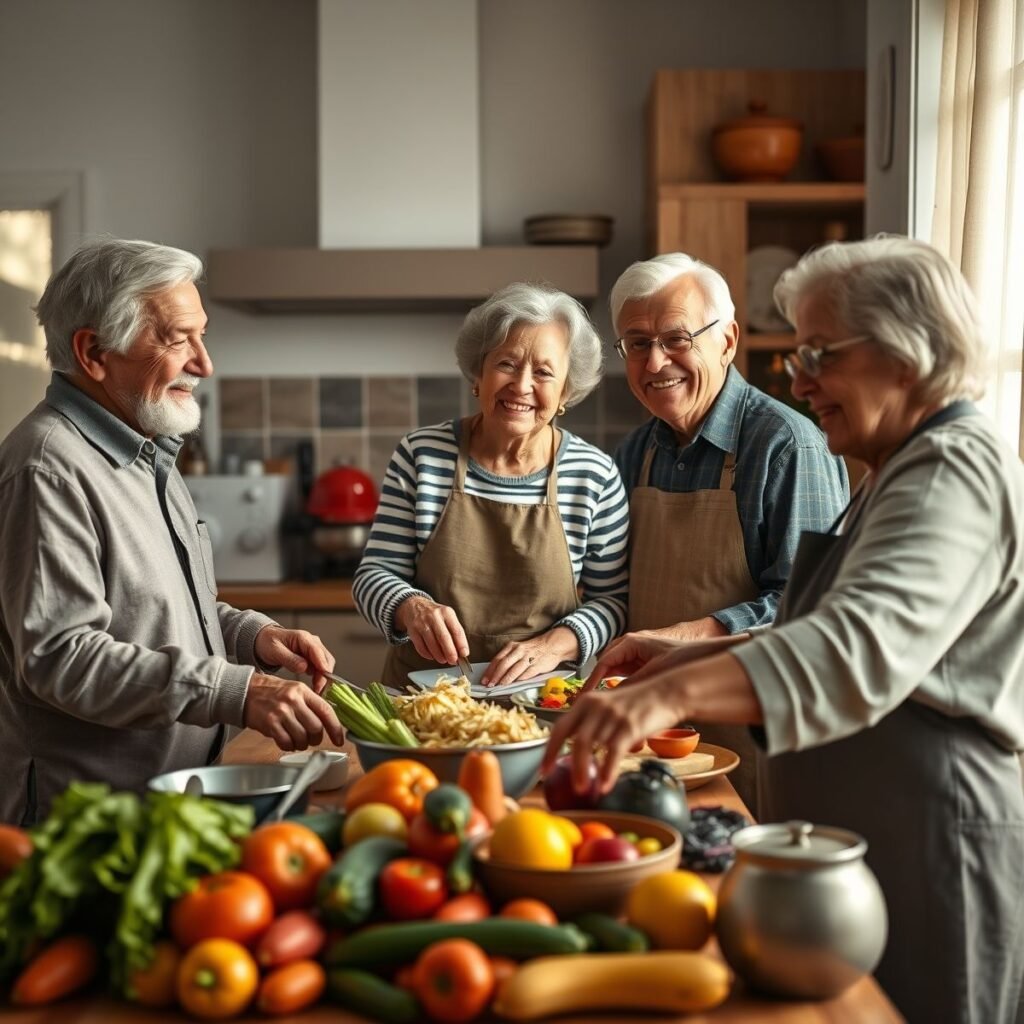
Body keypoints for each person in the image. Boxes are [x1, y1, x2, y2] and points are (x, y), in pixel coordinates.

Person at [547, 236, 1024, 1024]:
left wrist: (652, 703)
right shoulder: (898, 468)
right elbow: (825, 627)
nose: (798, 380)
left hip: (937, 838)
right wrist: (675, 657)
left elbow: (852, 653)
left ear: (906, 357)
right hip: (878, 831)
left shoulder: (952, 468)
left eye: (819, 354)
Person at [0, 239, 344, 826]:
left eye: (201, 336)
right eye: (177, 337)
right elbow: (64, 657)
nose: (204, 363)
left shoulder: (146, 449)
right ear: (94, 351)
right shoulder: (48, 468)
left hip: (168, 803)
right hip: (91, 824)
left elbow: (162, 609)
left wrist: (252, 637)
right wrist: (238, 691)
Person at [609, 252, 849, 811]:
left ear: (727, 339)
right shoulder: (635, 451)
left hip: (750, 737)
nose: (655, 361)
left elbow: (807, 608)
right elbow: (613, 590)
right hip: (649, 740)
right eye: (637, 344)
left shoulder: (788, 446)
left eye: (676, 337)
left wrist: (692, 636)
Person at [354, 282, 629, 689]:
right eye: (506, 364)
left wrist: (555, 645)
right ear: (477, 373)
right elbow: (374, 573)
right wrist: (411, 608)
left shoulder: (594, 475)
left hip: (541, 700)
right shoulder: (422, 455)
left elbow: (613, 602)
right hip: (422, 699)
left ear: (566, 392)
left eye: (544, 372)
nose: (521, 385)